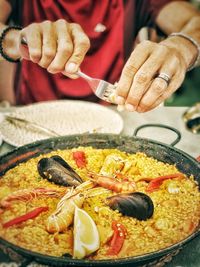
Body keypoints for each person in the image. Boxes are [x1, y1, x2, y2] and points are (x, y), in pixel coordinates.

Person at [0, 0, 199, 112]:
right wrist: (15, 40)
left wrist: (181, 48)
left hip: (113, 120)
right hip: (29, 116)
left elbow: (193, 21)